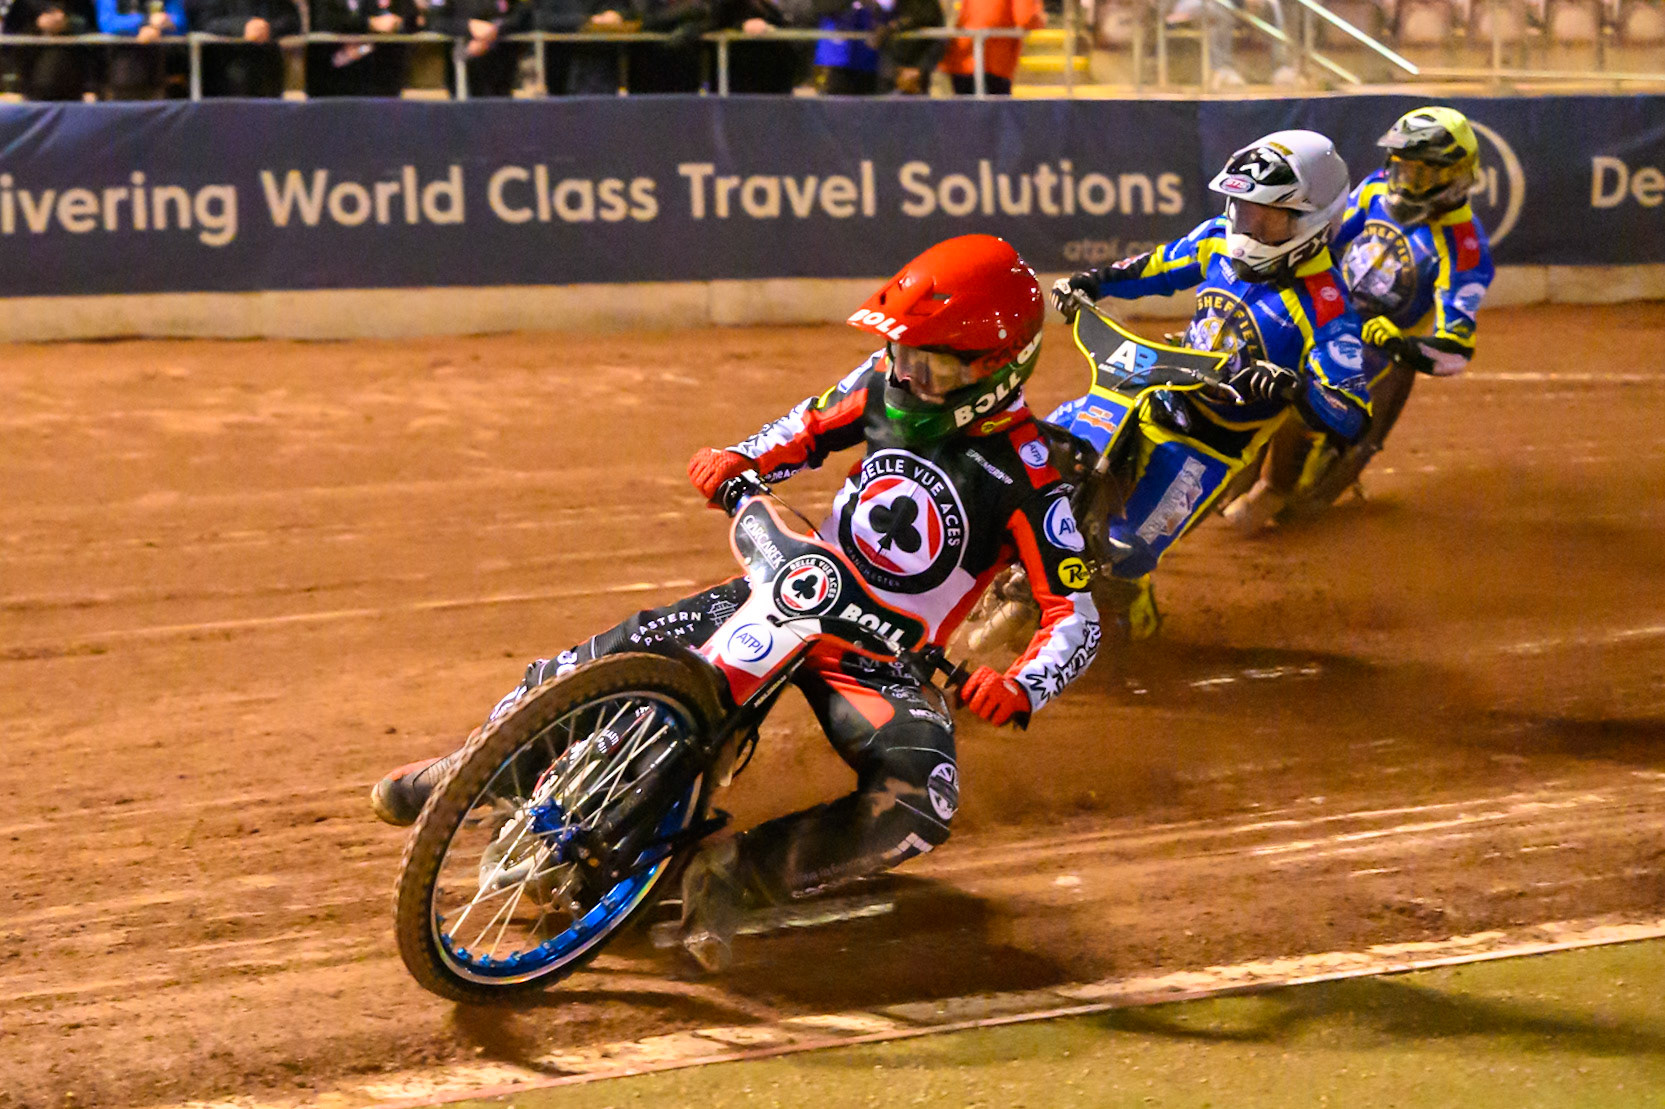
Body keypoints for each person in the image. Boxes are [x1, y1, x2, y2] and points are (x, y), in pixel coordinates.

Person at [371, 235, 1101, 973]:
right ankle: (474, 765)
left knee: (924, 800)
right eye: (901, 357)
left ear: (993, 370)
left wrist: (1018, 682)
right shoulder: (882, 382)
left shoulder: (1031, 476)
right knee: (619, 652)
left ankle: (736, 873)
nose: (904, 378)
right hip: (795, 580)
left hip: (880, 658)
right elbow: (802, 430)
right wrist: (741, 460)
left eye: (928, 366)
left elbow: (1073, 613)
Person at [1049, 129, 1370, 633]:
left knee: (1122, 551)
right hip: (1150, 387)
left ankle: (1133, 611)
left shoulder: (1326, 307)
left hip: (1207, 445)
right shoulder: (1219, 239)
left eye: (1266, 216)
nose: (1247, 226)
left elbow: (1350, 412)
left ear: (1314, 220)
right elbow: (1158, 267)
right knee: (1035, 462)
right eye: (1242, 208)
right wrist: (1098, 280)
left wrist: (1294, 389)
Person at [1225, 107, 1494, 531]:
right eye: (1402, 170)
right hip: (1328, 311)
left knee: (1304, 406)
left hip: (1382, 349)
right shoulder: (1373, 192)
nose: (1405, 184)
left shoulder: (1466, 247)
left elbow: (1457, 347)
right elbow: (1326, 239)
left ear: (1455, 176)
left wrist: (1400, 344)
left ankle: (1274, 489)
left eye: (1421, 176)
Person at [306, 0, 420, 97]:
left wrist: (363, 48)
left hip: (376, 82)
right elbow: (323, 22)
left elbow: (408, 20)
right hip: (330, 82)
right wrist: (369, 23)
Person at [188, 0, 300, 97]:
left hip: (268, 71)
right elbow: (202, 22)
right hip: (225, 71)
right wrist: (243, 27)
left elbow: (292, 20)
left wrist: (269, 28)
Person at [427, 0, 530, 97]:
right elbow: (434, 21)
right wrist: (468, 26)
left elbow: (523, 15)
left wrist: (495, 31)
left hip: (501, 71)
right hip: (462, 73)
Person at [939, 0, 1042, 96]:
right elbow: (1026, 18)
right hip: (995, 59)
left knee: (965, 110)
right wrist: (1041, 19)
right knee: (994, 112)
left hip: (962, 55)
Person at [3, 0, 96, 100]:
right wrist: (37, 26)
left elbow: (92, 30)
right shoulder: (23, 4)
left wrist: (68, 23)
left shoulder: (80, 4)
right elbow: (10, 40)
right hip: (32, 76)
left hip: (74, 73)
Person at [97, 0, 186, 98]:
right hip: (120, 67)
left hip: (159, 68)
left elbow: (181, 23)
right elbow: (108, 24)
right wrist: (146, 22)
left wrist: (164, 24)